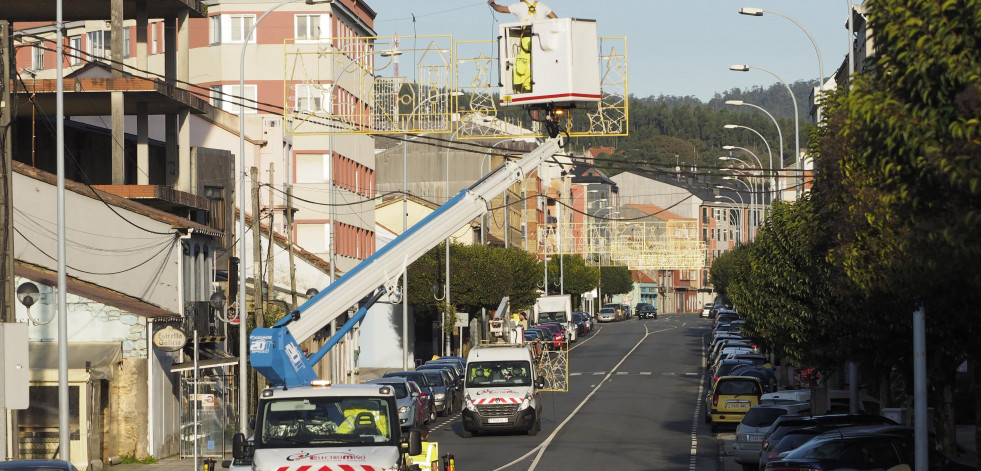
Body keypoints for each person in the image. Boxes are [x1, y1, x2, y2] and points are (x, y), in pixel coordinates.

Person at [487, 0, 558, 22]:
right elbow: (555, 19)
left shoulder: (519, 6)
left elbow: (500, 9)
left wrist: (492, 3)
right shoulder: (543, 6)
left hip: (526, 38)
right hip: (542, 38)